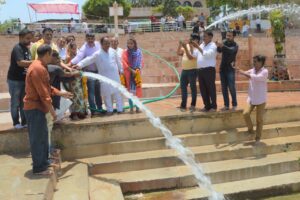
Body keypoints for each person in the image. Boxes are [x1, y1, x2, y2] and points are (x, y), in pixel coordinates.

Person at [24, 44, 72, 175]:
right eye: (51, 54)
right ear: (47, 54)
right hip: (34, 108)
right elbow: (44, 95)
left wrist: (60, 93)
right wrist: (52, 112)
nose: (52, 57)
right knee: (38, 138)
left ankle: (44, 162)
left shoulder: (40, 66)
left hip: (39, 108)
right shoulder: (38, 68)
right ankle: (39, 168)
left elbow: (48, 88)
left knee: (44, 137)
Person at [75, 37, 124, 115]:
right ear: (101, 44)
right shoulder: (97, 54)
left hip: (115, 76)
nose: (107, 45)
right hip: (104, 78)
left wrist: (121, 70)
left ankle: (120, 109)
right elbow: (88, 60)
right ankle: (110, 110)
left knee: (117, 93)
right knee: (107, 94)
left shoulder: (113, 51)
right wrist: (79, 65)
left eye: (108, 43)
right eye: (105, 43)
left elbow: (119, 62)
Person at [236, 55, 268, 144]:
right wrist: (237, 70)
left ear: (261, 62)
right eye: (253, 61)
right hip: (251, 98)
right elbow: (245, 73)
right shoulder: (252, 70)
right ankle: (251, 130)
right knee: (245, 113)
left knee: (259, 120)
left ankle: (258, 138)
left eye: (255, 61)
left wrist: (243, 73)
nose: (253, 63)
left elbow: (255, 77)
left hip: (261, 99)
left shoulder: (265, 71)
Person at [70, 33, 103, 117]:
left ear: (94, 38)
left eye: (92, 38)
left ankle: (100, 108)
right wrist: (70, 64)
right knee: (91, 93)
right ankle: (93, 110)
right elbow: (78, 57)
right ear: (86, 39)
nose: (90, 40)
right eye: (89, 38)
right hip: (89, 72)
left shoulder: (98, 45)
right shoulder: (84, 48)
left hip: (98, 72)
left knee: (98, 92)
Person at [7, 29, 33, 129]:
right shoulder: (17, 48)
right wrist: (35, 62)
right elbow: (20, 62)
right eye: (27, 38)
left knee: (24, 102)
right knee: (15, 102)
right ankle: (16, 122)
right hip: (15, 80)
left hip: (24, 80)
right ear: (21, 37)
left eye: (30, 38)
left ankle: (24, 122)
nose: (29, 40)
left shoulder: (26, 48)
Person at [191, 31, 218, 112]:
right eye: (203, 36)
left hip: (209, 70)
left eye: (205, 36)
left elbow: (207, 54)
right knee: (203, 89)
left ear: (210, 37)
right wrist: (192, 46)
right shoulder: (202, 44)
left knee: (211, 88)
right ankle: (207, 106)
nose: (203, 38)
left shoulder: (213, 45)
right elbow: (194, 55)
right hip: (200, 70)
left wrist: (198, 47)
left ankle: (214, 106)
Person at [216, 30, 239, 111]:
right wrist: (218, 45)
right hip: (222, 68)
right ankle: (226, 105)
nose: (227, 37)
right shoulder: (225, 42)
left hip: (230, 69)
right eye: (227, 35)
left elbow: (231, 51)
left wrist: (222, 45)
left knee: (231, 87)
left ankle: (234, 104)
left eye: (229, 36)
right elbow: (219, 51)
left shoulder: (235, 45)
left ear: (233, 36)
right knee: (224, 88)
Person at [64, 42, 88, 120]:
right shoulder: (68, 58)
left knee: (80, 95)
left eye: (75, 48)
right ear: (69, 49)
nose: (75, 50)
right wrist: (73, 71)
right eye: (73, 48)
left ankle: (81, 112)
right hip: (72, 80)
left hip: (79, 79)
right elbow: (65, 69)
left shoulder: (77, 56)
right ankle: (74, 113)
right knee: (74, 96)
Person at [177, 34, 199, 112]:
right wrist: (180, 45)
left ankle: (193, 105)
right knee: (183, 88)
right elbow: (178, 53)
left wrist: (186, 48)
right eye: (190, 39)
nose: (190, 40)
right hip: (184, 70)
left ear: (197, 41)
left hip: (192, 70)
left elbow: (190, 57)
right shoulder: (187, 46)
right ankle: (183, 105)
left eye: (192, 39)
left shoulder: (197, 49)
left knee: (193, 88)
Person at [122, 38, 143, 113]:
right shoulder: (125, 52)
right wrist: (131, 70)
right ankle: (131, 108)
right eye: (128, 43)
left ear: (134, 44)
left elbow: (141, 62)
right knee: (130, 92)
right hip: (129, 74)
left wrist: (137, 70)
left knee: (137, 91)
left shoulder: (139, 52)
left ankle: (137, 108)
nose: (130, 45)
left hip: (137, 74)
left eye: (131, 43)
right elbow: (124, 62)